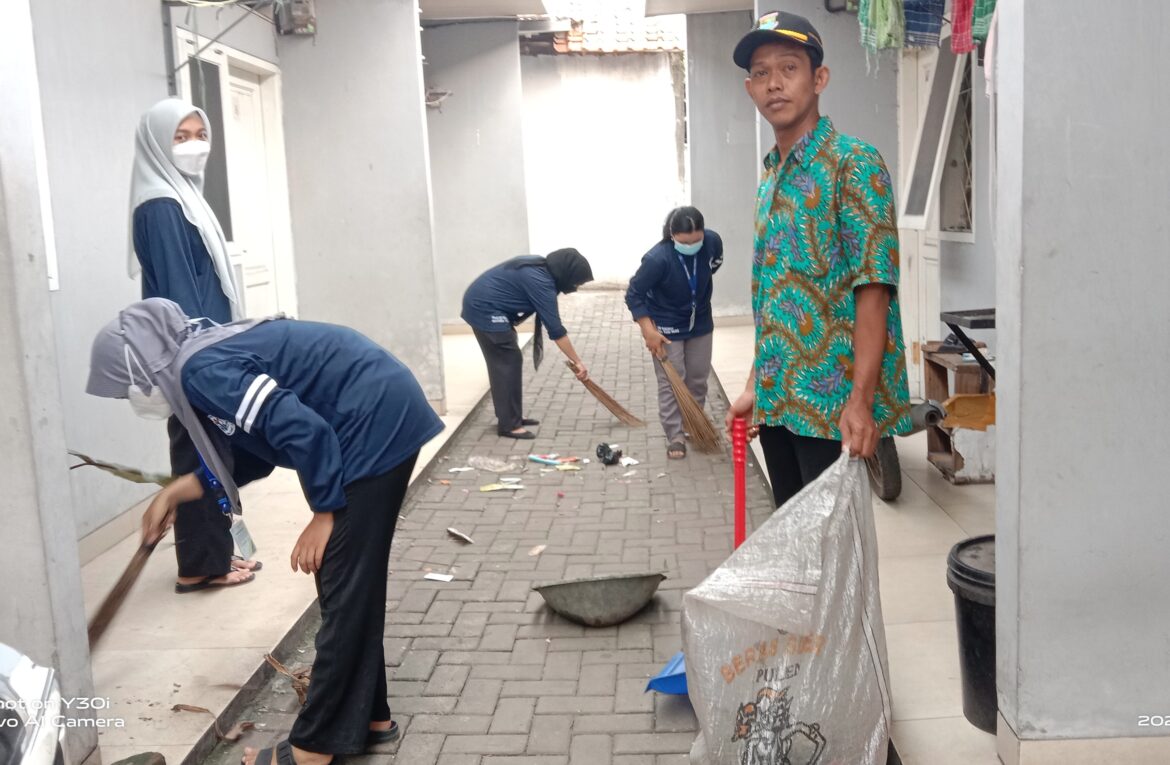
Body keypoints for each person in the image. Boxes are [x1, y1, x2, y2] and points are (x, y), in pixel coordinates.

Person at [86, 298, 444, 765]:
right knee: (349, 586)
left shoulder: (200, 370)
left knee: (344, 584)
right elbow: (256, 448)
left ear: (141, 367)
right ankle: (370, 718)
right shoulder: (197, 362)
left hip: (372, 422)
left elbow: (302, 429)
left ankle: (314, 747)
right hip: (373, 413)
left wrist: (325, 512)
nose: (131, 400)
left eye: (126, 390)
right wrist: (179, 491)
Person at [724, 11, 911, 507]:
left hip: (831, 412)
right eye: (761, 73)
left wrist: (861, 402)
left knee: (833, 557)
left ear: (819, 78)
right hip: (780, 404)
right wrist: (752, 388)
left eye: (789, 68)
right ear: (749, 89)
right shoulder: (770, 176)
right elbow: (775, 296)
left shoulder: (854, 162)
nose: (774, 84)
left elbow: (874, 286)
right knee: (798, 551)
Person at [128, 97, 259, 592]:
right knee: (198, 452)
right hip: (192, 352)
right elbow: (180, 292)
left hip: (205, 347)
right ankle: (201, 564)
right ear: (157, 146)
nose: (193, 147)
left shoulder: (182, 196)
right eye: (179, 138)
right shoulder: (162, 205)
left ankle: (216, 553)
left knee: (210, 449)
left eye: (198, 135)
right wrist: (203, 358)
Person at [461, 249, 594, 439]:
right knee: (507, 363)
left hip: (483, 306)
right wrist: (578, 361)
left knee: (506, 362)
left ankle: (510, 416)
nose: (575, 288)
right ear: (566, 273)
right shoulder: (541, 281)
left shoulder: (541, 267)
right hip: (484, 309)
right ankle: (509, 425)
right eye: (576, 282)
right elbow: (556, 329)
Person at [626, 206, 724, 459]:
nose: (691, 245)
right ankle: (675, 434)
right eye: (684, 242)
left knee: (698, 378)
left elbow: (712, 267)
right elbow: (633, 294)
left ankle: (694, 424)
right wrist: (649, 330)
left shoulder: (712, 243)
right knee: (672, 380)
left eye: (696, 240)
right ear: (672, 235)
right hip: (667, 325)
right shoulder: (657, 259)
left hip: (700, 322)